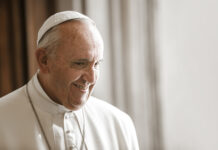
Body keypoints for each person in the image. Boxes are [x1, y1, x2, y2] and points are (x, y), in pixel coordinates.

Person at [0, 11, 139, 150]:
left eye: (96, 64)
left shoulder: (119, 124)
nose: (91, 78)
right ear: (44, 60)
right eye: (80, 63)